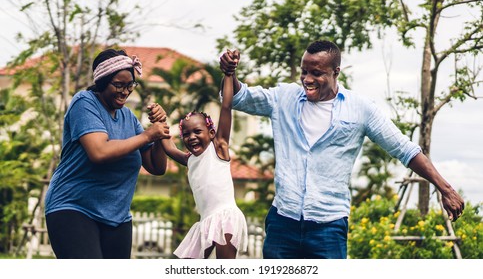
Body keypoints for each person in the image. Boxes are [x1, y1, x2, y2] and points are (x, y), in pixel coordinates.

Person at [219, 40, 465, 259]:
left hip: (328, 227)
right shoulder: (284, 97)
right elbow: (240, 97)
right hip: (283, 222)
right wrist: (230, 73)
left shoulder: (360, 109)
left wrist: (445, 188)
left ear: (336, 72)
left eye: (317, 73)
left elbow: (405, 149)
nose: (307, 79)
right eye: (304, 71)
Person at [44, 49, 170, 259]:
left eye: (130, 85)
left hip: (117, 217)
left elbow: (157, 167)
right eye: (118, 85)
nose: (125, 91)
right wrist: (148, 136)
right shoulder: (84, 103)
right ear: (102, 82)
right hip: (73, 207)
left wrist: (160, 129)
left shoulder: (128, 117)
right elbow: (99, 152)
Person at [159, 50, 248, 259]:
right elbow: (169, 148)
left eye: (197, 132)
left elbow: (226, 106)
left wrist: (228, 74)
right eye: (186, 134)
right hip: (205, 222)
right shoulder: (189, 160)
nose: (191, 137)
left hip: (225, 217)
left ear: (211, 133)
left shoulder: (219, 148)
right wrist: (159, 122)